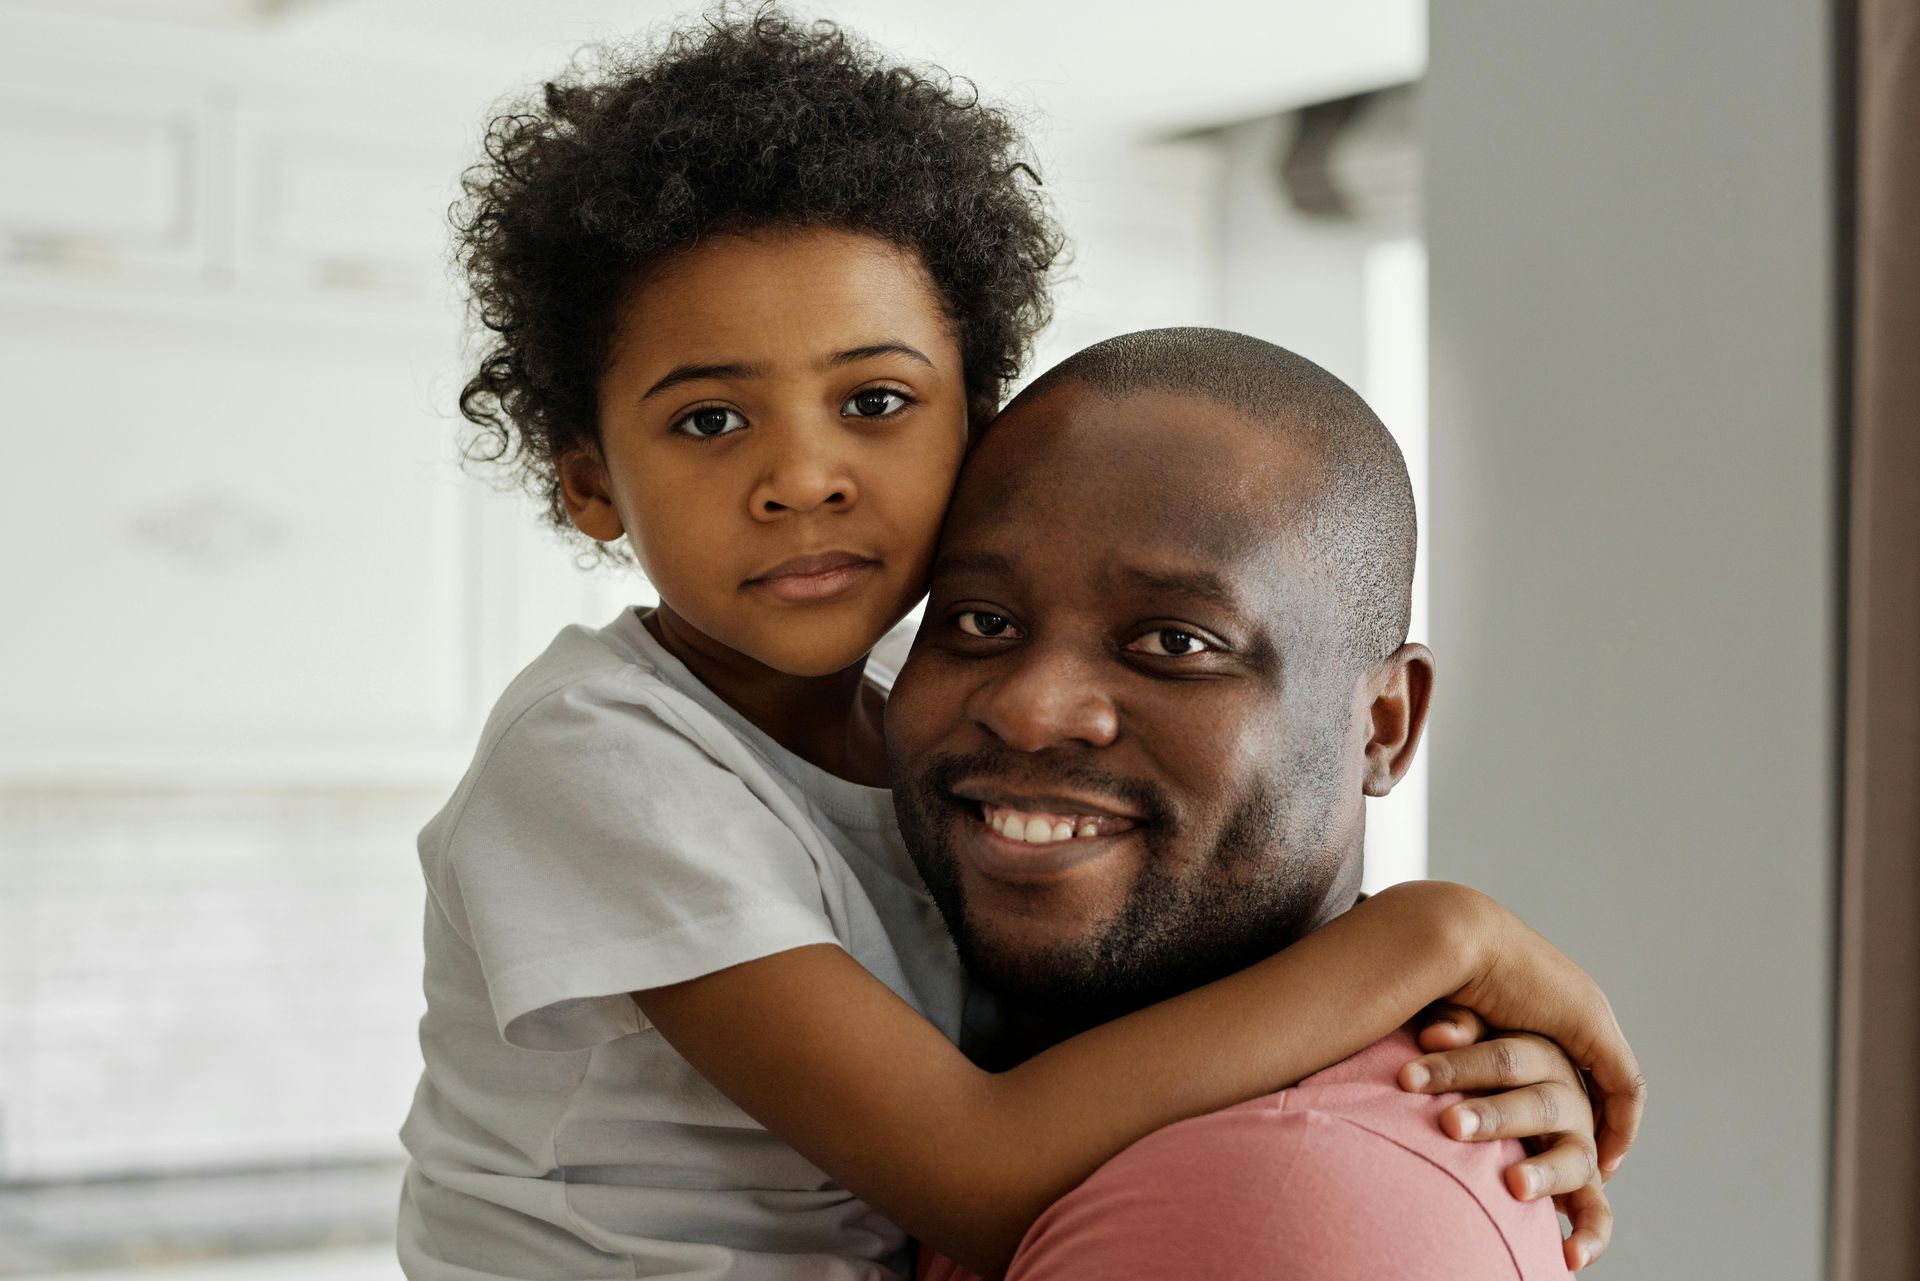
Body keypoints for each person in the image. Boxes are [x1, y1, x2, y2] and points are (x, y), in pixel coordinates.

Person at [398, 10, 1643, 1281]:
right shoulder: (601, 761)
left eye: (874, 402)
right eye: (711, 419)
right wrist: (1433, 943)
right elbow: (976, 1172)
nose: (802, 477)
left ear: (974, 436)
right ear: (593, 488)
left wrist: (1445, 1055)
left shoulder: (916, 709)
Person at [889, 327, 1609, 1279]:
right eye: (981, 622)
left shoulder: (1266, 1203)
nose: (1029, 709)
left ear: (1384, 722)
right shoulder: (867, 952)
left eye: (1178, 642)